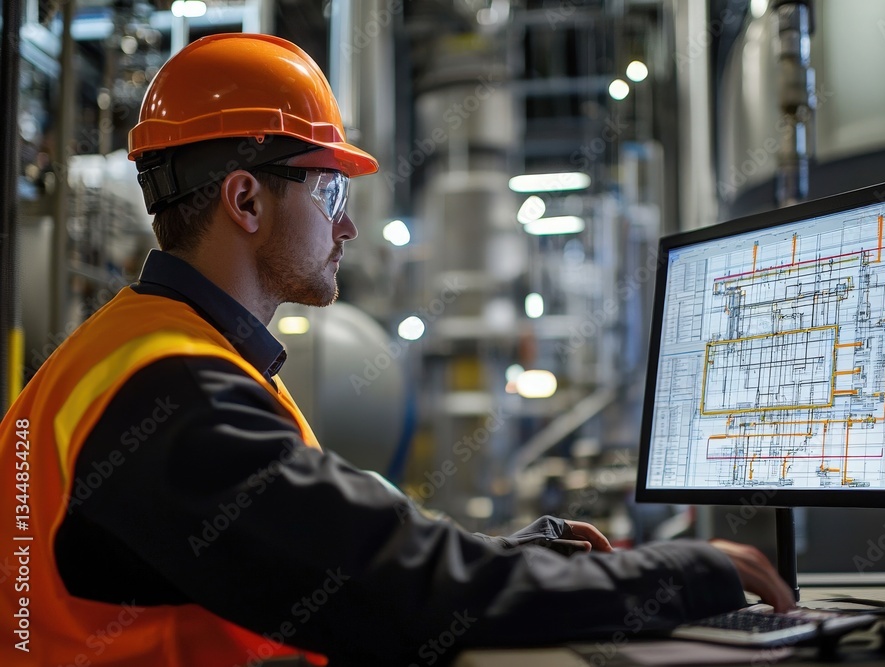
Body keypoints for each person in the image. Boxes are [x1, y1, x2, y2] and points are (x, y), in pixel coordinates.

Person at [0, 33, 793, 667]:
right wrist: (686, 572)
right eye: (330, 190)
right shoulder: (170, 392)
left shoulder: (143, 356)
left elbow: (330, 566)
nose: (346, 226)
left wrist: (520, 557)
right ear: (246, 198)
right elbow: (398, 592)